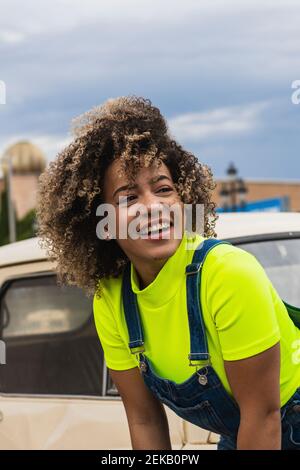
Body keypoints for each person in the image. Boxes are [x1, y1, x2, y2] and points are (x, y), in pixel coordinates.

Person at [36, 96, 300, 450]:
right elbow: (143, 418)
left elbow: (263, 415)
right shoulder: (113, 299)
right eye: (128, 198)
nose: (153, 208)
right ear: (101, 221)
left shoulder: (227, 273)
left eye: (164, 189)